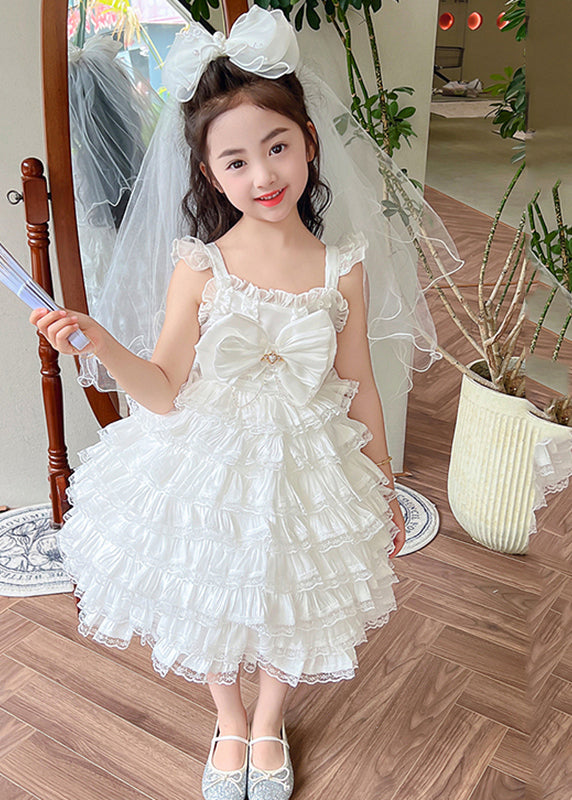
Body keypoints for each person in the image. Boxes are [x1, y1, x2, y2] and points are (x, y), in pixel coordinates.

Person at [30, 7, 460, 800]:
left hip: (308, 460)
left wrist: (382, 479)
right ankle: (229, 720)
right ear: (209, 175)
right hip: (210, 457)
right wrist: (99, 342)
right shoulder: (199, 265)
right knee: (214, 590)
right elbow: (163, 389)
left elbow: (360, 381)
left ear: (309, 142)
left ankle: (269, 722)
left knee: (292, 594)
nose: (263, 176)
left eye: (277, 147)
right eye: (236, 160)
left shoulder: (343, 267)